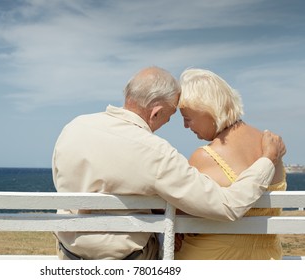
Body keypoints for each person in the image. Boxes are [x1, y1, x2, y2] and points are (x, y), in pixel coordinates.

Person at [52, 66, 286, 260]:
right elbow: (226, 206)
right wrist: (267, 160)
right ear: (155, 113)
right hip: (127, 262)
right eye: (172, 115)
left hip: (69, 254)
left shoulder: (74, 127)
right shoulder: (153, 151)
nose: (176, 124)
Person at [175, 68, 287, 260]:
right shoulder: (271, 145)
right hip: (268, 259)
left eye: (188, 119)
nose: (186, 126)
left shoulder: (204, 156)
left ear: (208, 111)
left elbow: (180, 216)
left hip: (216, 260)